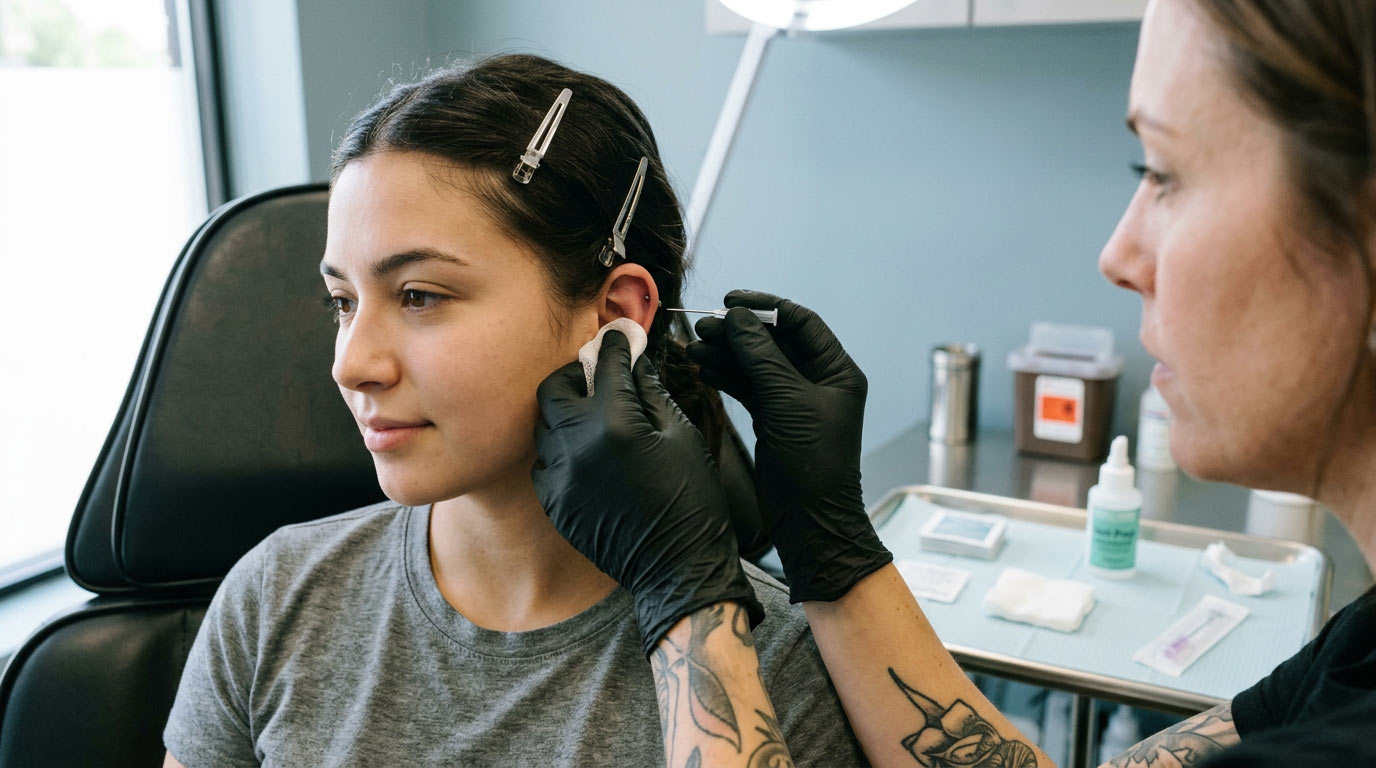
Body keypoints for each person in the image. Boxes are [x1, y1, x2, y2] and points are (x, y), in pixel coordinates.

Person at [531, 0, 1376, 765]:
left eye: (1161, 173)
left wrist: (686, 598)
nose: (1118, 256)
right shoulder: (1360, 653)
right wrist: (832, 543)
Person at [160, 54, 868, 768]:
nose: (350, 364)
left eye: (419, 296)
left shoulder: (775, 663)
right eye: (342, 302)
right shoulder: (278, 595)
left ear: (613, 317)